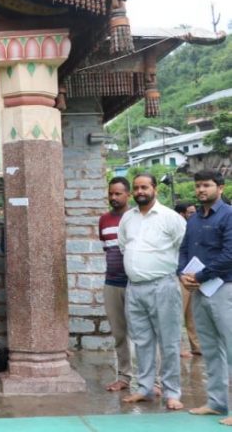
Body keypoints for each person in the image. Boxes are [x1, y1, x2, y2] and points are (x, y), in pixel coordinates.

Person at [118, 173, 185, 410]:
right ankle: (145, 388)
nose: (139, 192)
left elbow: (182, 246)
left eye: (144, 187)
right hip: (135, 287)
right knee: (142, 341)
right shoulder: (128, 217)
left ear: (154, 189)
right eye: (136, 188)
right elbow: (124, 245)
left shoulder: (169, 217)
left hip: (163, 285)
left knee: (169, 341)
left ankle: (172, 393)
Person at [178, 170, 232, 423]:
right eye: (198, 185)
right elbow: (184, 249)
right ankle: (217, 403)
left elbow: (229, 254)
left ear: (220, 188)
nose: (201, 190)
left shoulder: (229, 215)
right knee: (210, 349)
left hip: (224, 288)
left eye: (207, 185)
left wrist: (199, 276)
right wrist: (183, 274)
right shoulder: (194, 219)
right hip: (198, 290)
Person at [99, 177, 134, 392]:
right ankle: (124, 377)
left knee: (144, 334)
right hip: (112, 282)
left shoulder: (136, 218)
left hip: (136, 283)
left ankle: (153, 381)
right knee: (119, 334)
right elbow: (107, 249)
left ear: (127, 194)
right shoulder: (104, 220)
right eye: (111, 193)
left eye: (118, 193)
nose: (113, 197)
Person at [175, 202, 202, 358]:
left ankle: (196, 346)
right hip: (180, 276)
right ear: (181, 214)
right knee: (178, 314)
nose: (194, 215)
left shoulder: (193, 228)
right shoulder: (178, 229)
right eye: (190, 212)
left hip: (194, 275)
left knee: (193, 314)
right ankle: (178, 348)